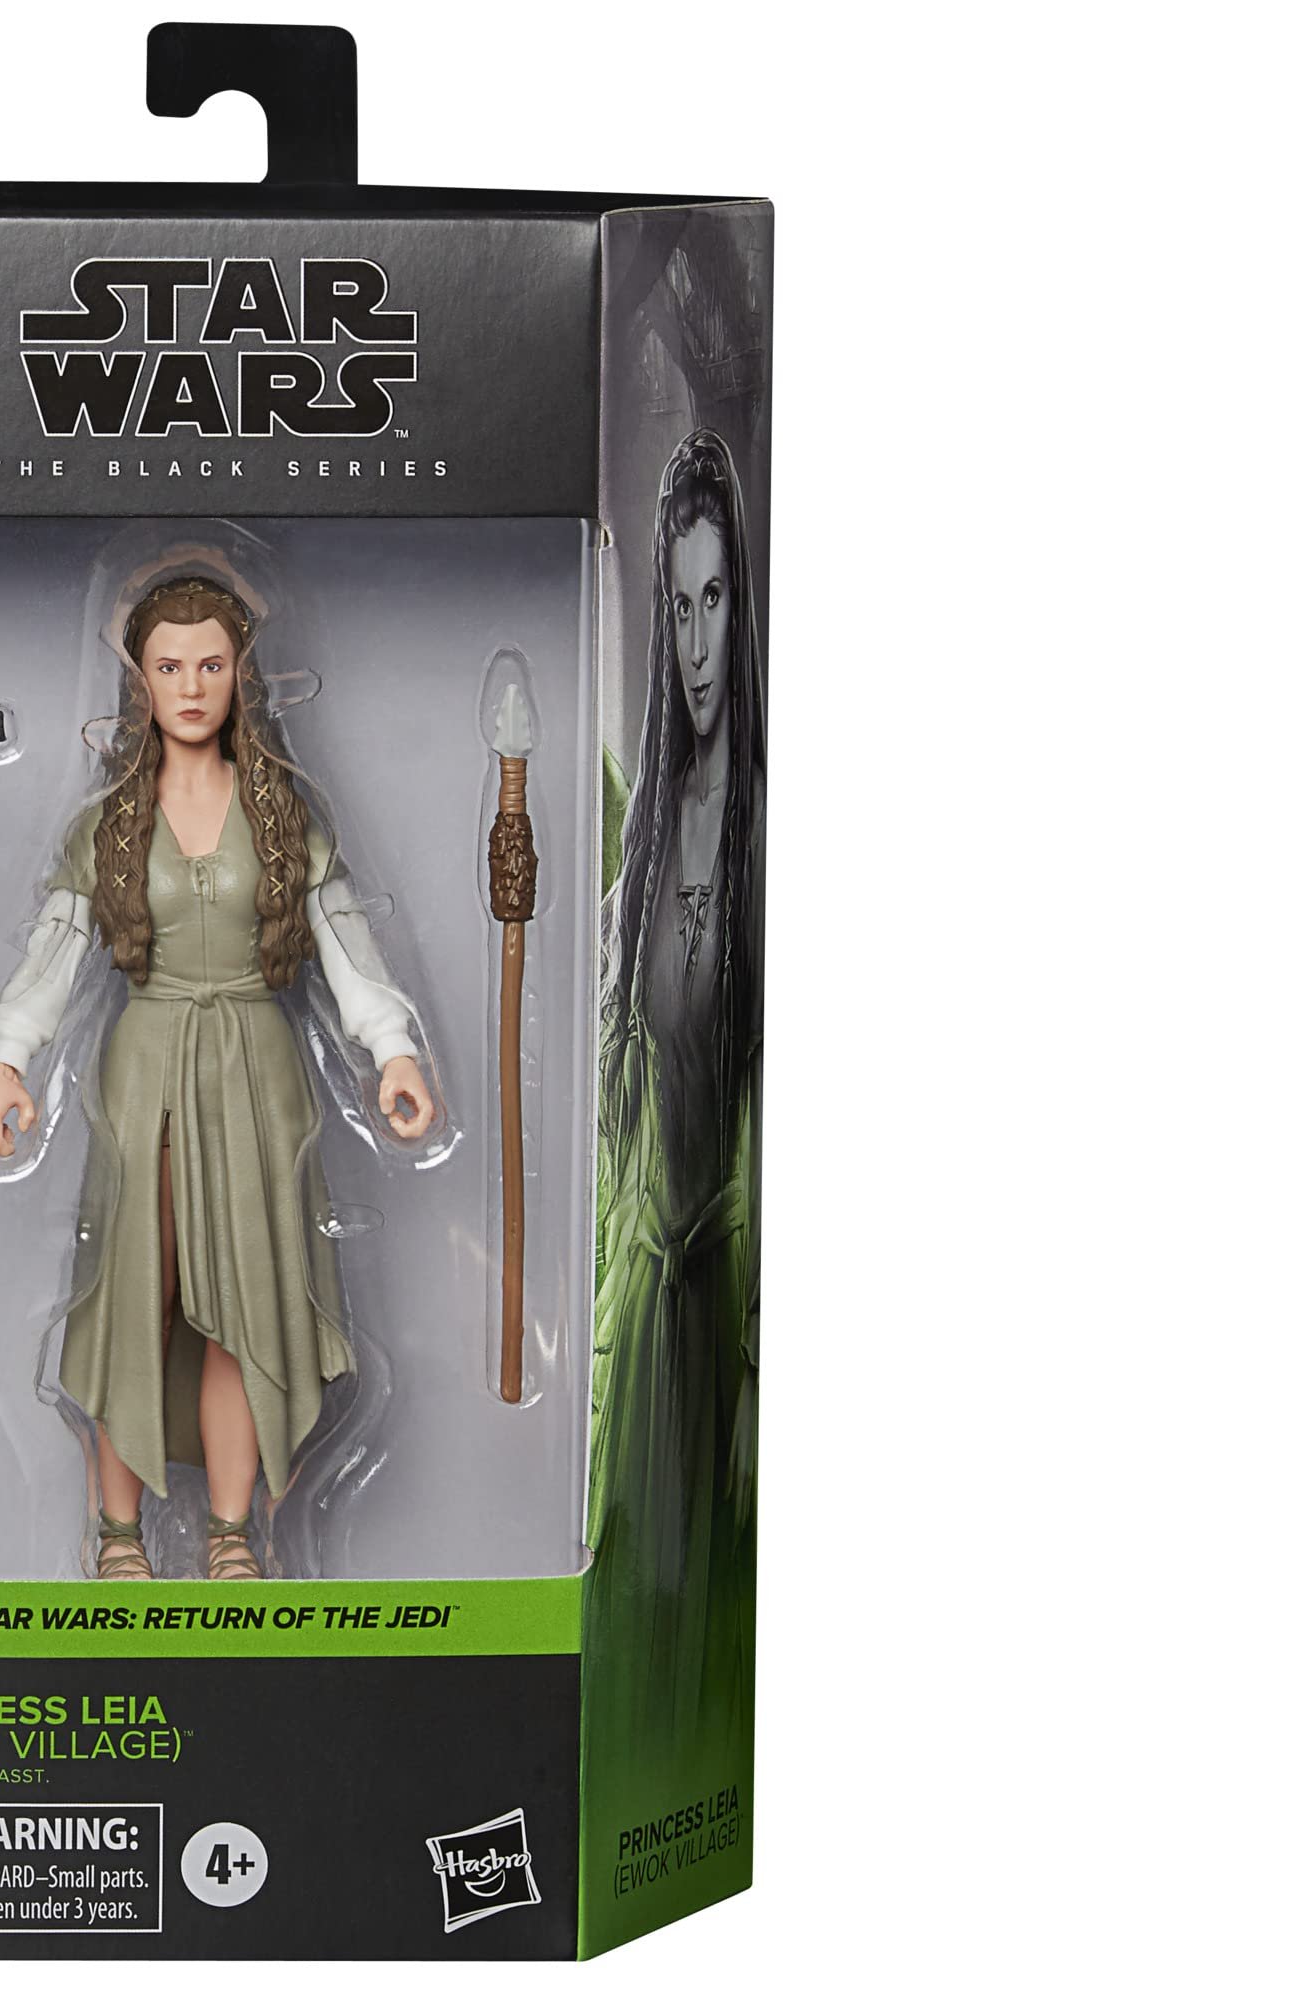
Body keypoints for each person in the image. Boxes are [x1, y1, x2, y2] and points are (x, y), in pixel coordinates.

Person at [0, 575, 435, 1581]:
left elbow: (345, 941)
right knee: (138, 1300)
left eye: (210, 664)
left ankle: (230, 1534)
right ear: (139, 679)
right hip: (145, 1076)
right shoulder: (109, 825)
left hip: (260, 1074)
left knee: (244, 1304)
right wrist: (7, 1059)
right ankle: (118, 1535)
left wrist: (391, 1048)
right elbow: (53, 953)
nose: (189, 686)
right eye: (169, 666)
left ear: (240, 676)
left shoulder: (282, 816)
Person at [590, 429, 765, 1769]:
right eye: (679, 605)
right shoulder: (643, 833)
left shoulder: (766, 822)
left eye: (716, 600)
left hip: (731, 1304)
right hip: (645, 1299)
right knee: (628, 1648)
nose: (697, 644)